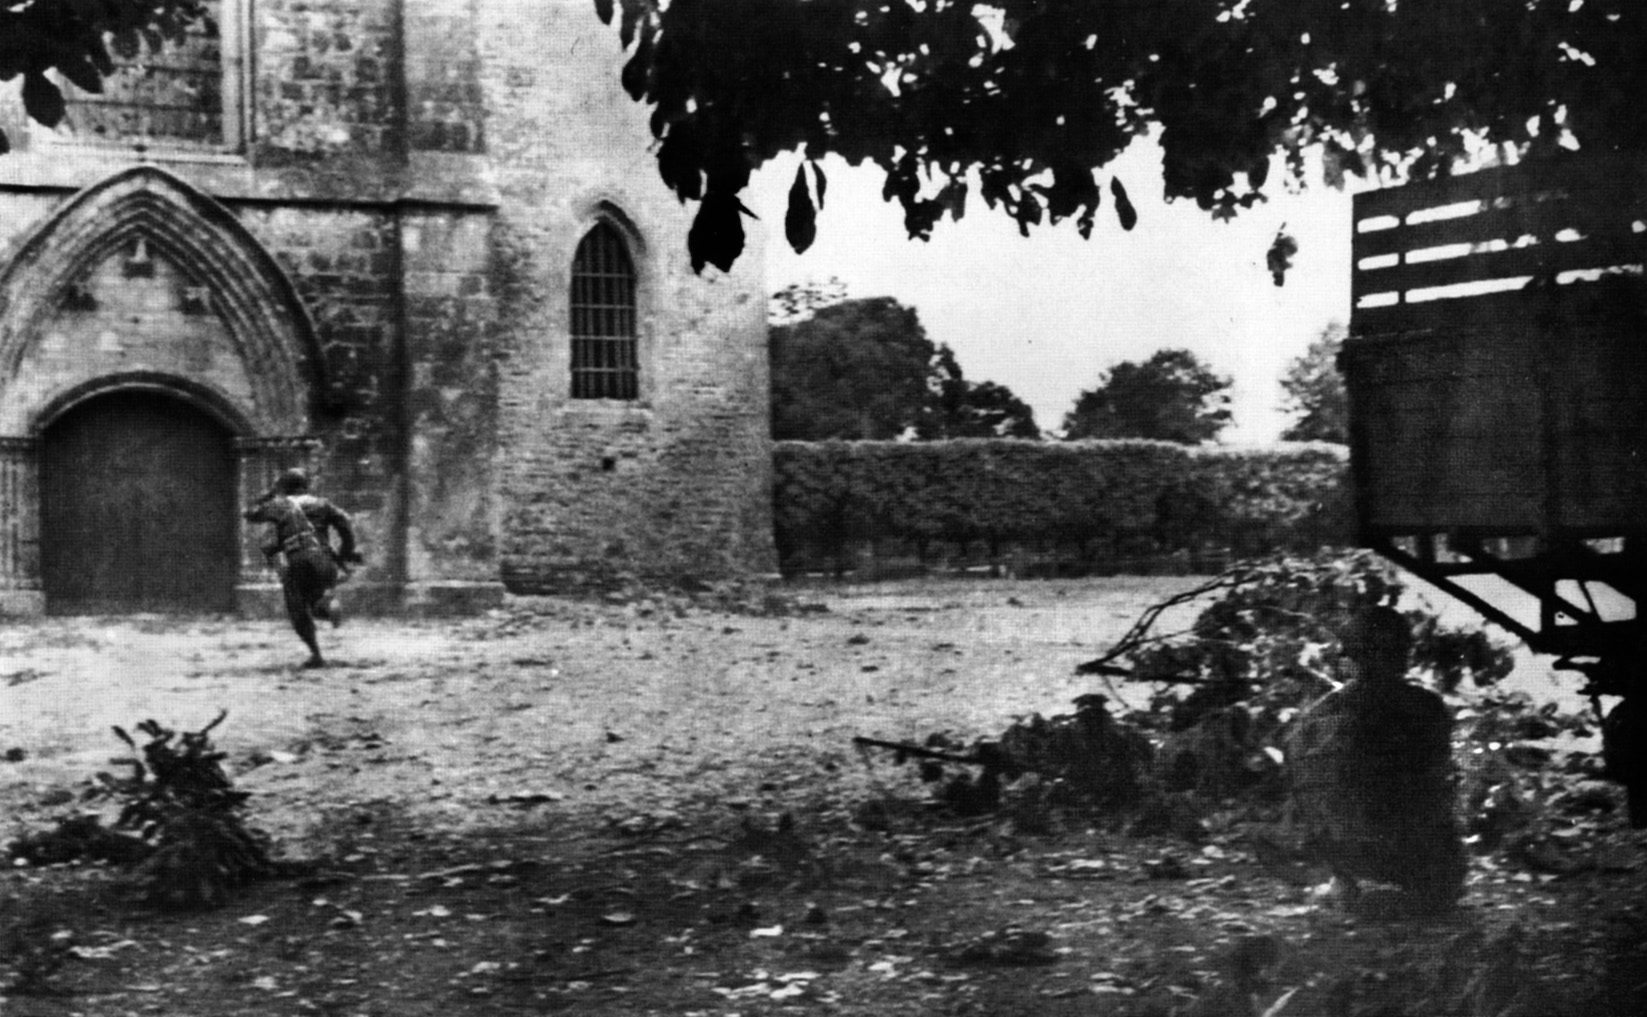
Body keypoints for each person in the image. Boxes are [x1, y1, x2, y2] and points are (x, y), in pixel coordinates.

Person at [1283, 605, 1467, 911]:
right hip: (1417, 865)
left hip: (1343, 863)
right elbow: (1438, 786)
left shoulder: (1314, 717)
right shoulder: (1424, 706)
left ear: (1351, 656)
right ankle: (1403, 891)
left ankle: (1352, 887)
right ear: (1400, 653)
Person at [243, 468, 362, 668]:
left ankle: (316, 654)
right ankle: (327, 603)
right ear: (305, 486)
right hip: (325, 561)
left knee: (297, 608)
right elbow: (345, 522)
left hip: (298, 559)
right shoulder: (322, 504)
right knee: (316, 601)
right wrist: (345, 553)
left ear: (284, 489)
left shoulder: (280, 505)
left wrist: (270, 493)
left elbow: (250, 513)